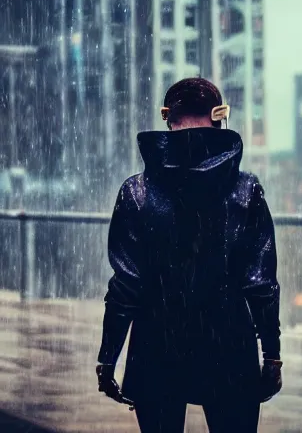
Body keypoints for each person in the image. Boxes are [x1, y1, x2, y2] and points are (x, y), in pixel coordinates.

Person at [95, 78, 282, 432]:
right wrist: (271, 354)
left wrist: (109, 356)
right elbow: (260, 282)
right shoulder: (245, 190)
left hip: (156, 345)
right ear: (219, 117)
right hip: (229, 346)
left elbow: (127, 285)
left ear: (168, 118)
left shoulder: (137, 192)